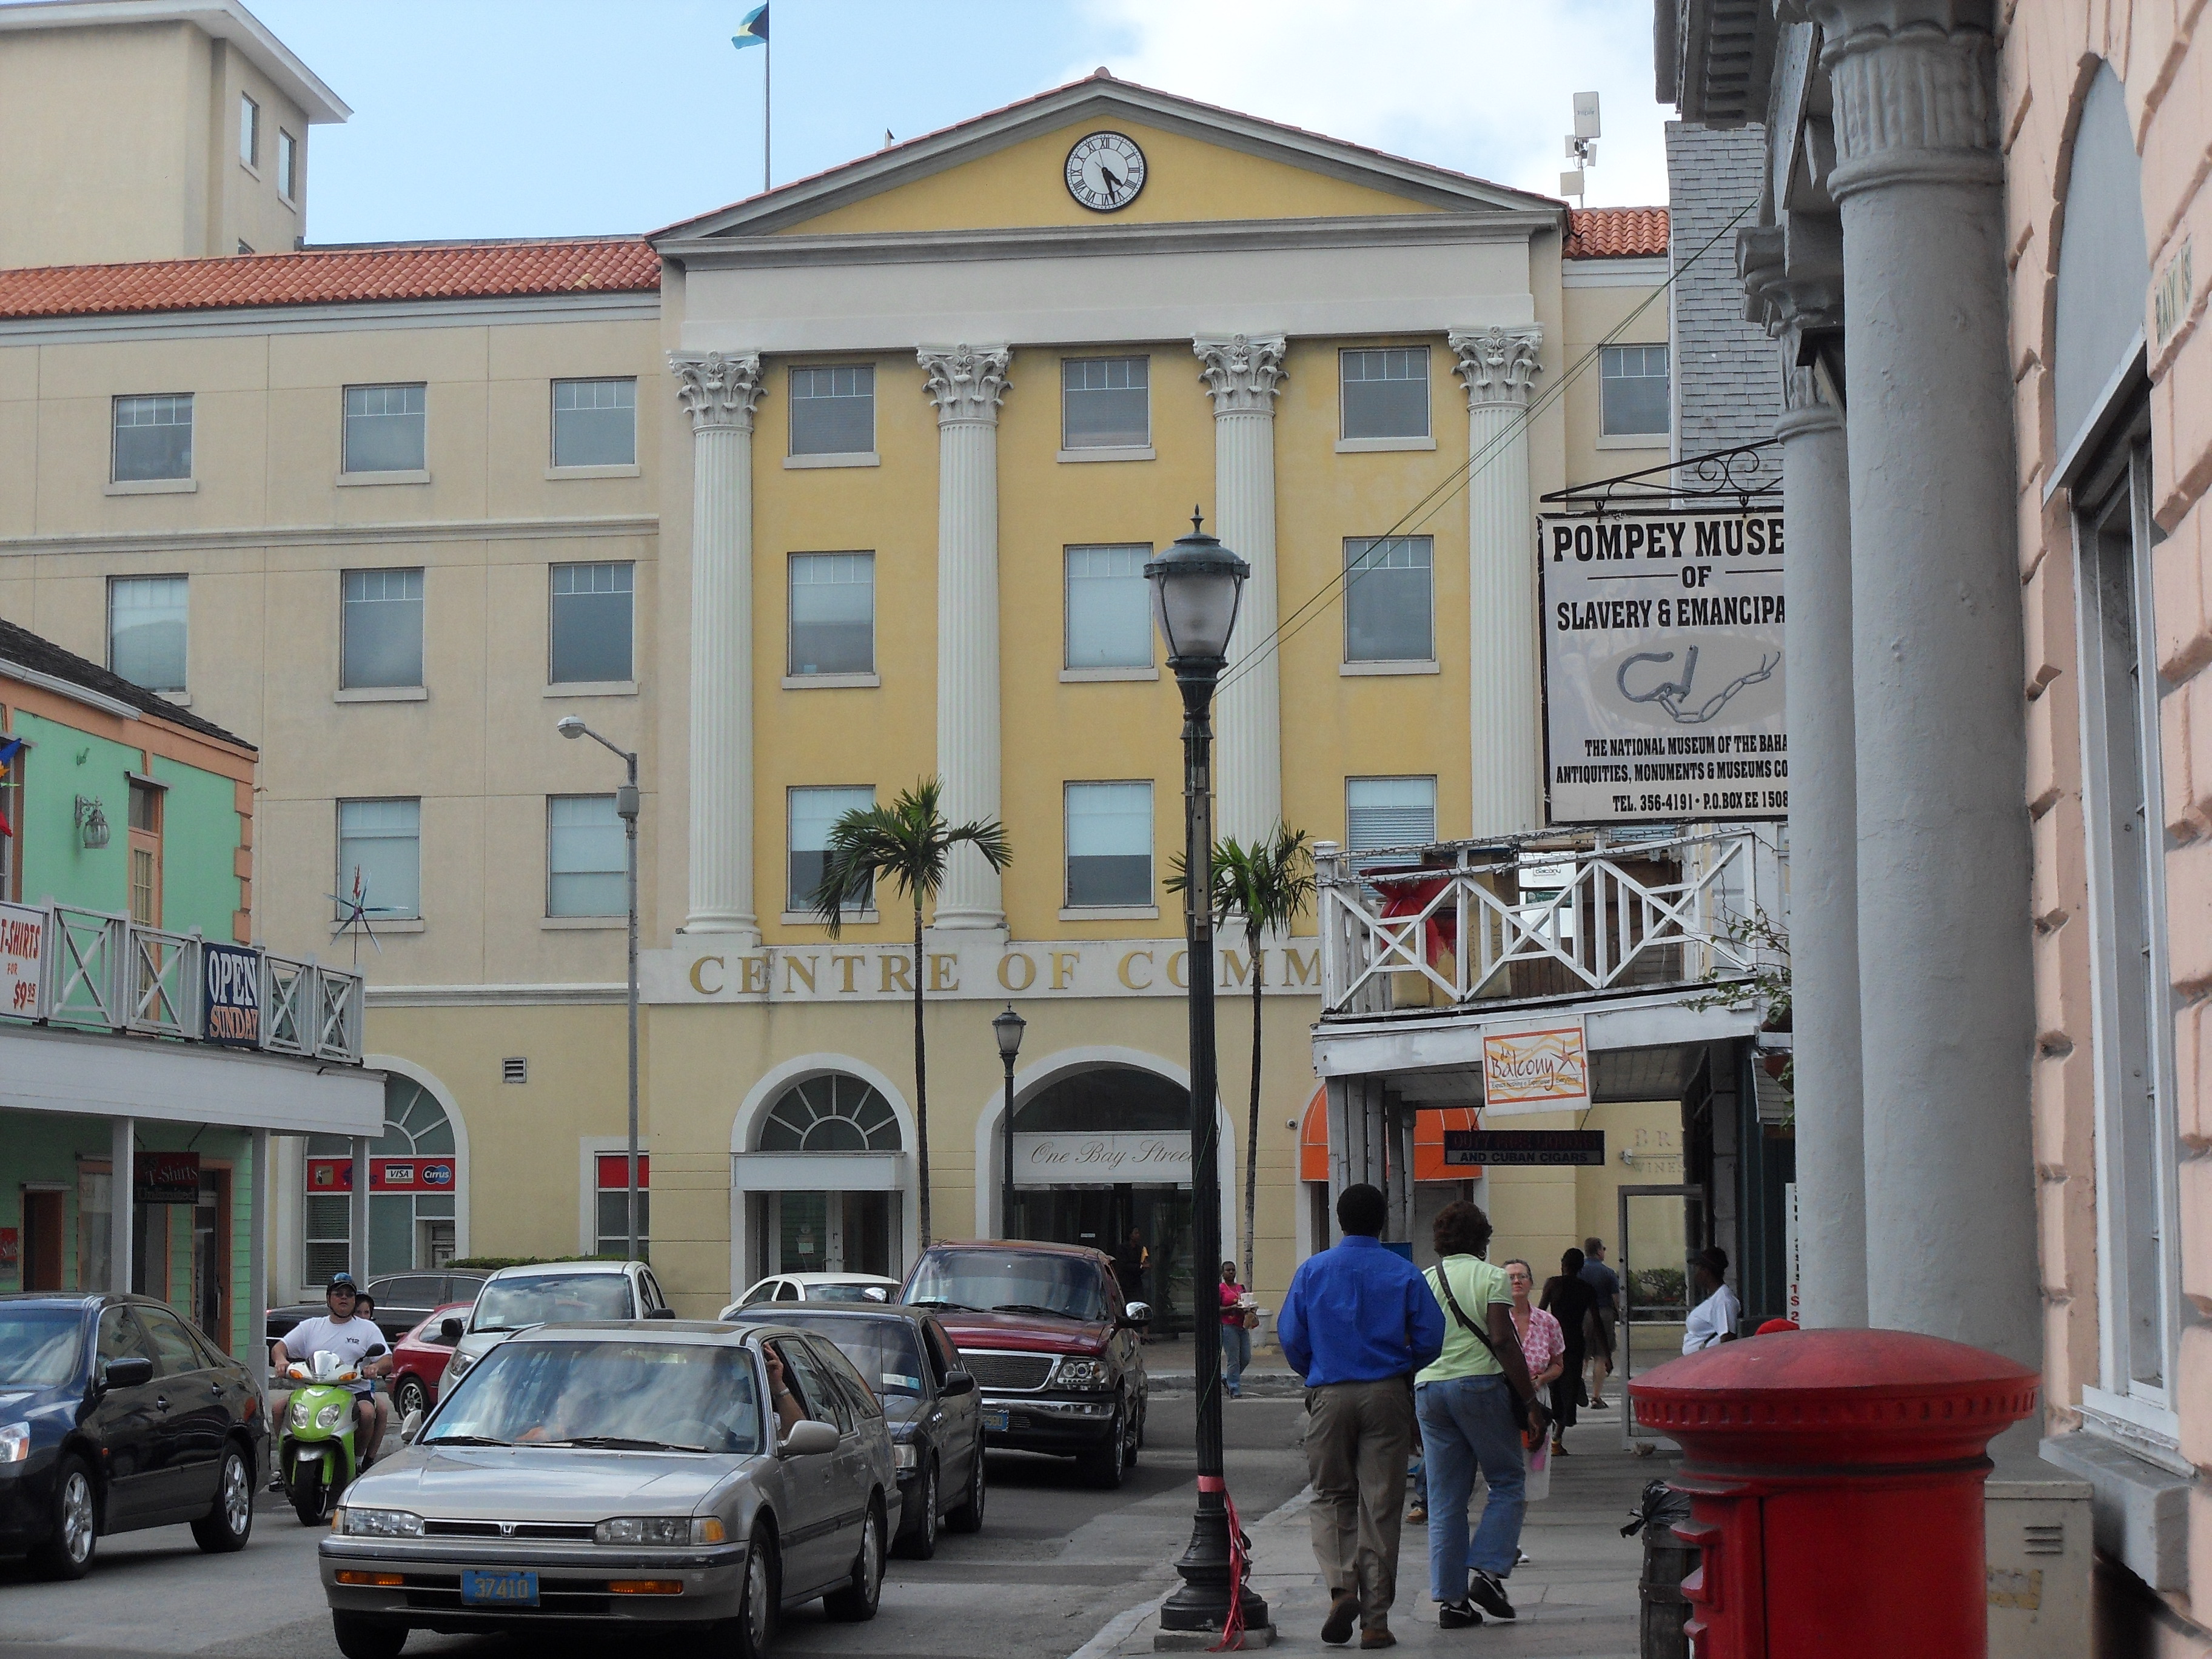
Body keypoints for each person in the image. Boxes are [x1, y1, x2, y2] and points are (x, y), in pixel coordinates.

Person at [1278, 1183, 1445, 1650]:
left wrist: (1317, 1370)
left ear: (1340, 1220)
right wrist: (1404, 1366)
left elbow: (1291, 1337)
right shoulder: (1404, 1273)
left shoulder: (1313, 1270)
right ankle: (1375, 1622)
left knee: (1331, 1495)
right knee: (1381, 1504)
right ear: (1382, 1222)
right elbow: (1432, 1337)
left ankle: (1341, 1589)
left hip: (1330, 1393)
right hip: (1387, 1394)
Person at [1415, 1202, 1540, 1631]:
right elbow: (1502, 1340)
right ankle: (1487, 1572)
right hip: (1479, 1387)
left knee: (1445, 1500)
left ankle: (1452, 1604)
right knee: (1507, 1480)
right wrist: (1530, 1402)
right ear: (1482, 1240)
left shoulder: (1425, 1279)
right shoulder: (1492, 1277)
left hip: (1430, 1390)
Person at [270, 1273, 392, 1483]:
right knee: (278, 1408)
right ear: (329, 1298)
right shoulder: (311, 1326)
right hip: (313, 1390)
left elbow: (387, 1360)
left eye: (349, 1295)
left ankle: (357, 1462)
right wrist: (281, 1360)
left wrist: (375, 1367)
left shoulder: (367, 1328)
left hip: (353, 1391)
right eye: (338, 1294)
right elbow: (280, 1347)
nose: (344, 1298)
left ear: (354, 1300)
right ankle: (285, 1465)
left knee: (367, 1413)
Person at [1503, 1259, 1564, 1512]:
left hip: (1536, 1399)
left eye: (1522, 1276)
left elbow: (1558, 1364)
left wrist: (1541, 1379)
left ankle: (1516, 1527)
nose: (1517, 1281)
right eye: (1510, 1277)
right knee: (1505, 1467)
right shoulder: (1494, 1320)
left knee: (1531, 1466)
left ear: (1531, 1282)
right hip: (1503, 1398)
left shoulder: (1548, 1321)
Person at [1538, 1249, 1596, 1456]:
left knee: (1551, 1386)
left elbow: (1540, 1313)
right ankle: (1557, 1438)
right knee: (1569, 1390)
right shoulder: (1586, 1289)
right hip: (1574, 1343)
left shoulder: (1553, 1284)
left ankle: (1549, 1428)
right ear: (1581, 1267)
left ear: (1563, 1264)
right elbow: (1597, 1321)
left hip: (1553, 1342)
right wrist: (1605, 1354)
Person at [1578, 1238, 1621, 1408]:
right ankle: (1596, 1397)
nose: (1604, 1251)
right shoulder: (1608, 1272)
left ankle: (1578, 1391)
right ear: (1598, 1251)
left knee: (1582, 1355)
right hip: (1604, 1314)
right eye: (1604, 1248)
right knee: (1601, 1356)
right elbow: (1616, 1298)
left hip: (1583, 1314)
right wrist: (1620, 1313)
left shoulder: (1579, 1271)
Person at [1683, 1248, 1742, 1353]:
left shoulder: (1724, 1300)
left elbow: (1727, 1339)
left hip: (1707, 1359)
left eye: (1697, 1269)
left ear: (1706, 1271)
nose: (1695, 1274)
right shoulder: (1716, 1297)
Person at [1218, 1261, 1252, 1399]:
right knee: (1234, 1359)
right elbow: (1217, 1309)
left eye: (1233, 1270)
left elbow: (1246, 1302)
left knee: (1246, 1357)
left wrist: (1249, 1308)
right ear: (1223, 1273)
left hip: (1241, 1325)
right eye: (1228, 1270)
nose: (1231, 1272)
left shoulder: (1240, 1288)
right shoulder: (1221, 1288)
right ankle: (1234, 1388)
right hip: (1228, 1326)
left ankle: (1227, 1378)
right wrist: (1232, 1308)